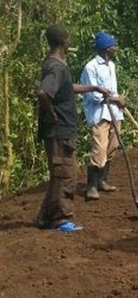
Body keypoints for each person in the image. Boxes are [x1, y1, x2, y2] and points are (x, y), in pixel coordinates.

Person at [36, 25, 112, 231]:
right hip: (59, 130)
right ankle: (61, 219)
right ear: (63, 41)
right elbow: (44, 93)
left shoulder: (54, 64)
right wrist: (51, 114)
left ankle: (45, 217)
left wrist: (94, 87)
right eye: (68, 39)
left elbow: (66, 88)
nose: (70, 42)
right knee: (66, 174)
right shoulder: (57, 66)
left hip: (59, 130)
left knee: (59, 174)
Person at [80, 32, 126, 201]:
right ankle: (91, 186)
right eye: (114, 46)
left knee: (112, 147)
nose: (116, 48)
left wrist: (117, 101)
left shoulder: (112, 66)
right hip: (99, 114)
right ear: (108, 49)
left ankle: (102, 181)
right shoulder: (90, 67)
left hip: (114, 113)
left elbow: (112, 91)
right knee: (99, 149)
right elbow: (94, 95)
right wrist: (116, 99)